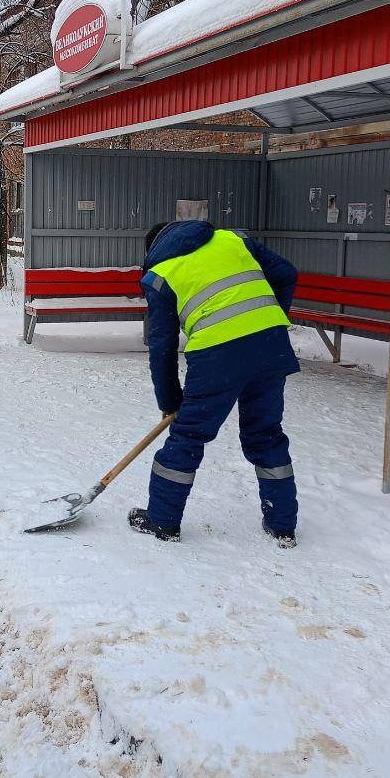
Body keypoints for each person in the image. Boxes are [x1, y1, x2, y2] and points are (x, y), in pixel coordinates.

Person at [129, 219, 300, 548]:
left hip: (218, 355)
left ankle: (162, 520)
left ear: (152, 250)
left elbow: (162, 347)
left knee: (189, 434)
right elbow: (287, 273)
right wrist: (272, 322)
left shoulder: (161, 273)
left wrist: (170, 402)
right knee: (266, 433)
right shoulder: (233, 240)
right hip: (271, 347)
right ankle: (282, 525)